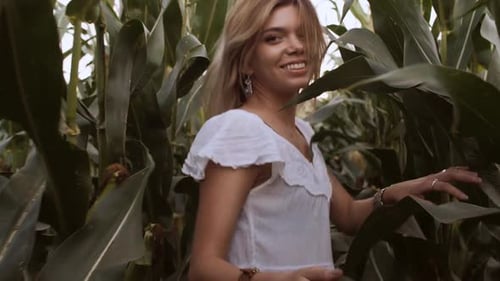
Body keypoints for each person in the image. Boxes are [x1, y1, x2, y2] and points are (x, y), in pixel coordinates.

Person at [181, 0, 483, 280]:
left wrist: (404, 190)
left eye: (303, 35)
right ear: (246, 60)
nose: (296, 46)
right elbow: (204, 267)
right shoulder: (240, 130)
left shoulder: (303, 132)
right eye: (274, 38)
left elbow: (349, 216)